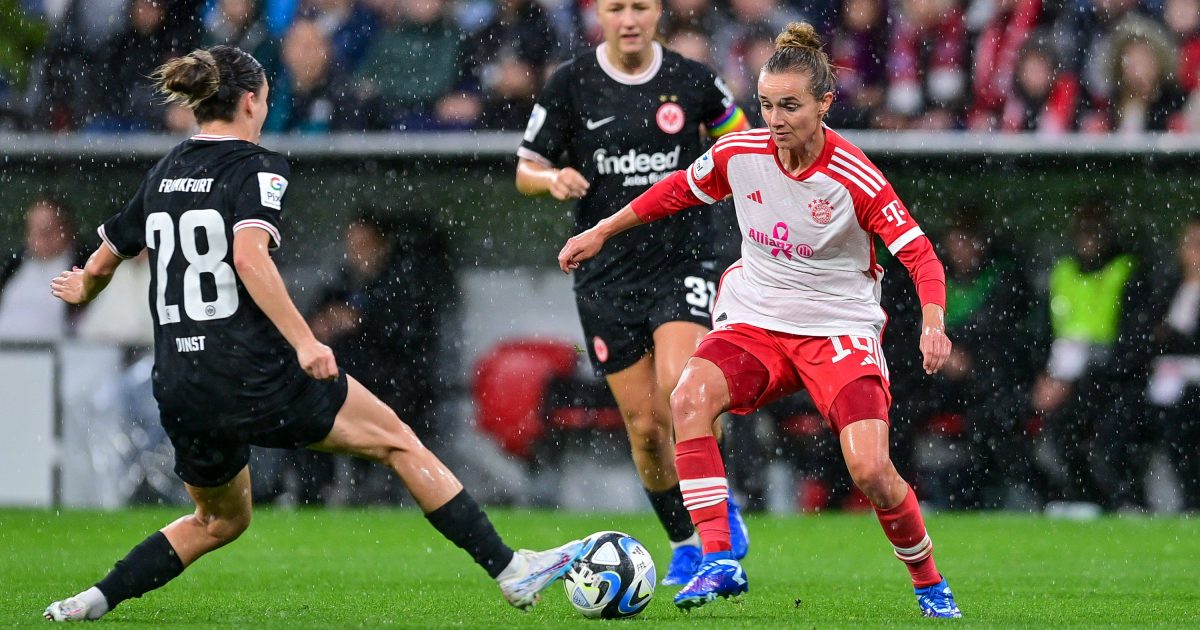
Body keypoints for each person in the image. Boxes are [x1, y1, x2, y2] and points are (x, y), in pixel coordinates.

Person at [42, 45, 582, 622]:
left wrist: (82, 289)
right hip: (248, 367)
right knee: (398, 441)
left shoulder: (166, 171)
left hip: (180, 380)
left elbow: (101, 263)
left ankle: (91, 601)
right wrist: (305, 341)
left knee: (218, 520)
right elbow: (250, 258)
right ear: (251, 102)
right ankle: (511, 570)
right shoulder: (258, 168)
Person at [557, 22, 962, 617]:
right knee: (688, 398)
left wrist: (933, 320)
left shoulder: (856, 177)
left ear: (825, 103)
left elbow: (920, 253)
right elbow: (675, 190)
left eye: (790, 106)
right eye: (767, 105)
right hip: (757, 319)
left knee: (872, 469)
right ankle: (719, 560)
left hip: (835, 326)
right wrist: (601, 229)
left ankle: (930, 583)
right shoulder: (739, 153)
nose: (774, 119)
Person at [514, 0, 752, 587]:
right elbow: (525, 167)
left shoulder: (692, 80)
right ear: (599, 13)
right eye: (616, 7)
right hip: (605, 275)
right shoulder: (571, 83)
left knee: (681, 388)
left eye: (640, 6)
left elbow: (741, 141)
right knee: (645, 430)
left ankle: (716, 506)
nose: (628, 18)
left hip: (683, 259)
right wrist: (552, 179)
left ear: (658, 13)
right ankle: (685, 542)